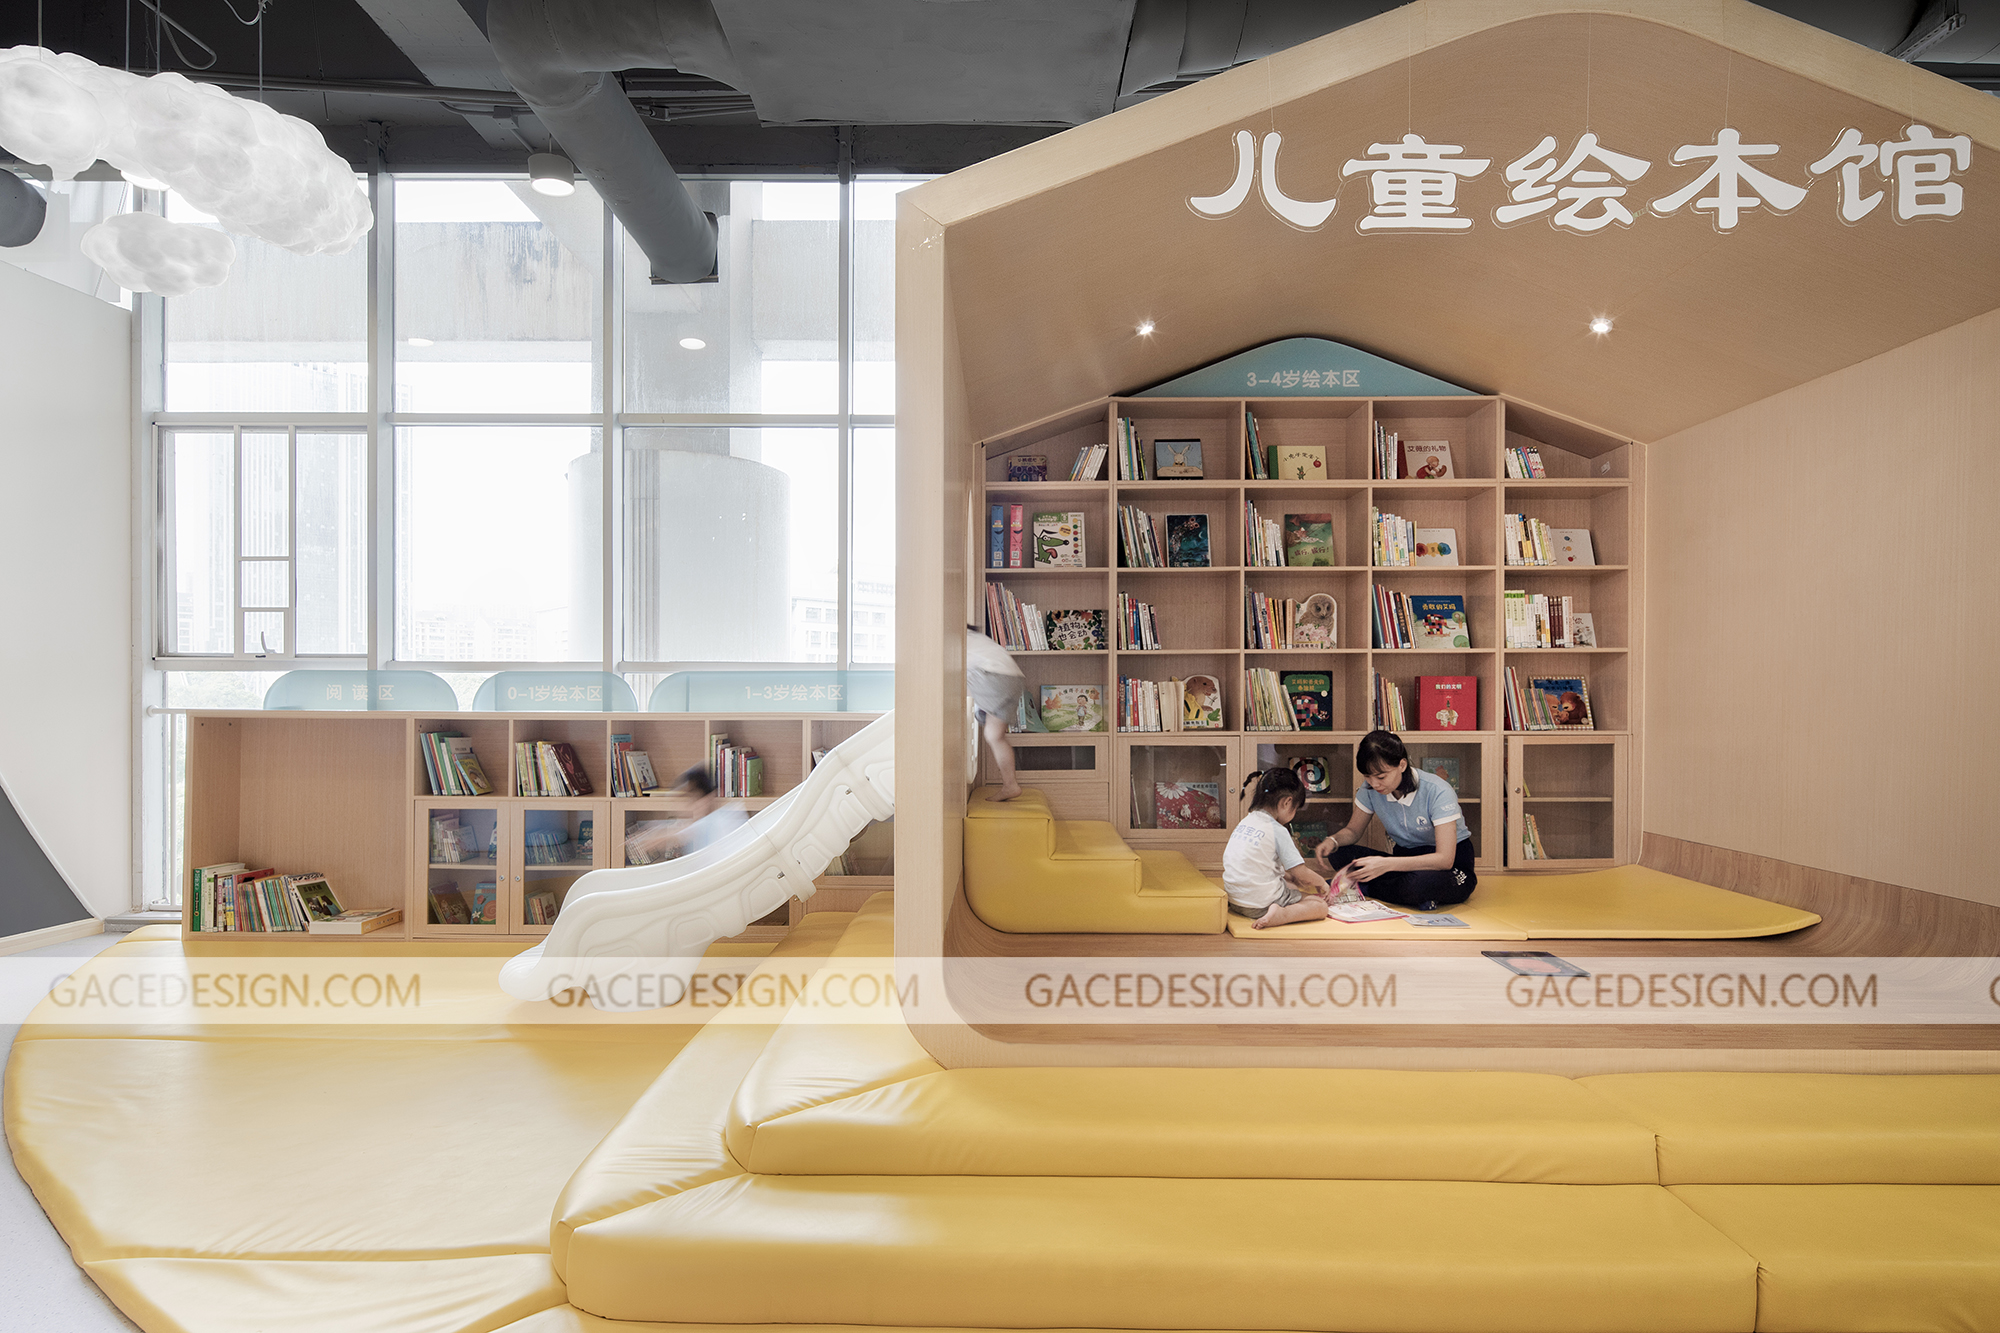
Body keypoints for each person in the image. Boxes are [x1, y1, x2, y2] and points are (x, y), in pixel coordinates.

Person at [1320, 730, 1476, 911]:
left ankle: (1366, 886)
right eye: (1367, 776)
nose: (1374, 784)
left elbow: (1444, 859)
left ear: (1402, 765)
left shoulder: (1438, 791)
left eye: (1381, 777)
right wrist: (1332, 841)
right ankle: (1405, 893)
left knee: (1419, 883)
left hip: (1451, 866)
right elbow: (1353, 831)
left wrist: (1385, 865)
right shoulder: (1369, 789)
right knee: (1340, 852)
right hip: (1404, 860)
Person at [1223, 767, 1338, 928]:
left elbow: (1256, 863)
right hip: (1260, 905)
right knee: (1319, 906)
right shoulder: (1277, 830)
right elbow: (1301, 873)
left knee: (1290, 883)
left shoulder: (1246, 822)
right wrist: (1321, 883)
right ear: (1287, 802)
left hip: (1236, 901)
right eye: (1295, 808)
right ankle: (1281, 915)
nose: (1294, 813)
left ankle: (1276, 908)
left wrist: (1289, 876)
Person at [966, 626, 1026, 799]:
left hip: (993, 677)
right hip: (1013, 680)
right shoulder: (975, 636)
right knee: (994, 736)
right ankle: (1010, 785)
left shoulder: (956, 636)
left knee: (951, 682)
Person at [665, 765, 748, 858]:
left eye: (695, 798)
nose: (691, 807)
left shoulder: (727, 819)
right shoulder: (704, 822)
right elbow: (680, 834)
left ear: (710, 796)